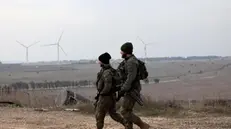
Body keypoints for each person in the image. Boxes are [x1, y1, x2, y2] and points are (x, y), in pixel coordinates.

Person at [117, 42, 150, 129]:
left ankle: (142, 125)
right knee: (128, 110)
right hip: (129, 89)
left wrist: (122, 90)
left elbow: (130, 79)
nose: (120, 53)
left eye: (122, 51)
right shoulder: (128, 61)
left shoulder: (131, 62)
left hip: (131, 90)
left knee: (124, 111)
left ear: (126, 52)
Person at [94, 52, 125, 129]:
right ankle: (127, 123)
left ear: (103, 61)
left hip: (105, 97)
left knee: (99, 115)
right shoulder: (109, 70)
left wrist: (102, 93)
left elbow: (108, 86)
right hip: (111, 96)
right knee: (113, 114)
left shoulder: (106, 72)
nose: (99, 63)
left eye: (100, 61)